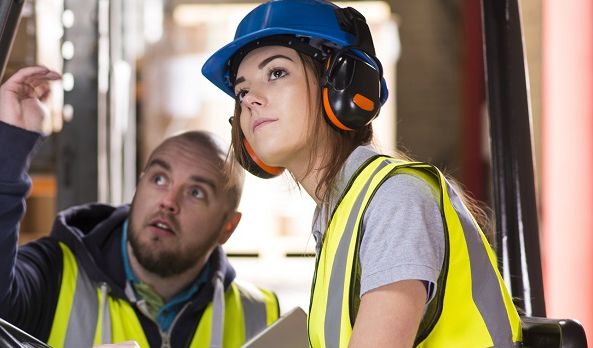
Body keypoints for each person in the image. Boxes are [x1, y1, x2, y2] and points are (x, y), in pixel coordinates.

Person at [200, 0, 522, 347]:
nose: (250, 100)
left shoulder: (395, 200)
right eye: (242, 90)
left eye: (276, 73)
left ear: (342, 84)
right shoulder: (340, 217)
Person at [0, 66, 280, 348]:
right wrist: (12, 145)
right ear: (139, 186)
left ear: (227, 227)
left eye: (195, 193)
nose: (168, 202)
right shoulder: (57, 274)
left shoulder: (260, 316)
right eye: (159, 179)